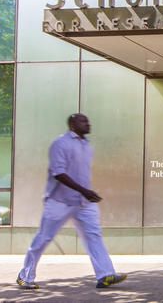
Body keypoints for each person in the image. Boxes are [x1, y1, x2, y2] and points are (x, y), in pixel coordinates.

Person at [16, 113, 126, 289]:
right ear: (72, 124)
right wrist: (84, 191)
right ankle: (25, 276)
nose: (88, 123)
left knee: (94, 236)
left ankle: (105, 275)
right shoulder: (60, 144)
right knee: (44, 237)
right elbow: (58, 173)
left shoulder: (87, 145)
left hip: (84, 203)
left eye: (88, 120)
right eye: (83, 121)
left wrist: (85, 193)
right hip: (59, 201)